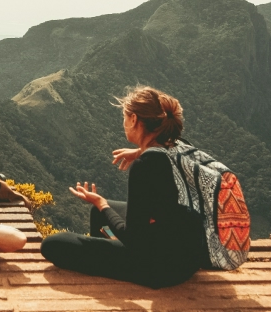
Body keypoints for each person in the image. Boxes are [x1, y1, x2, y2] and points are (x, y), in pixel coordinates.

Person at [40, 86, 207, 289]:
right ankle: (109, 259)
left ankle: (114, 263)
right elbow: (162, 158)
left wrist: (101, 202)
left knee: (53, 244)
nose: (124, 123)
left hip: (161, 268)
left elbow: (134, 239)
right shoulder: (178, 145)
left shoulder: (144, 166)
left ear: (134, 119)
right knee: (98, 212)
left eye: (125, 118)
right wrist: (140, 151)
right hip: (189, 256)